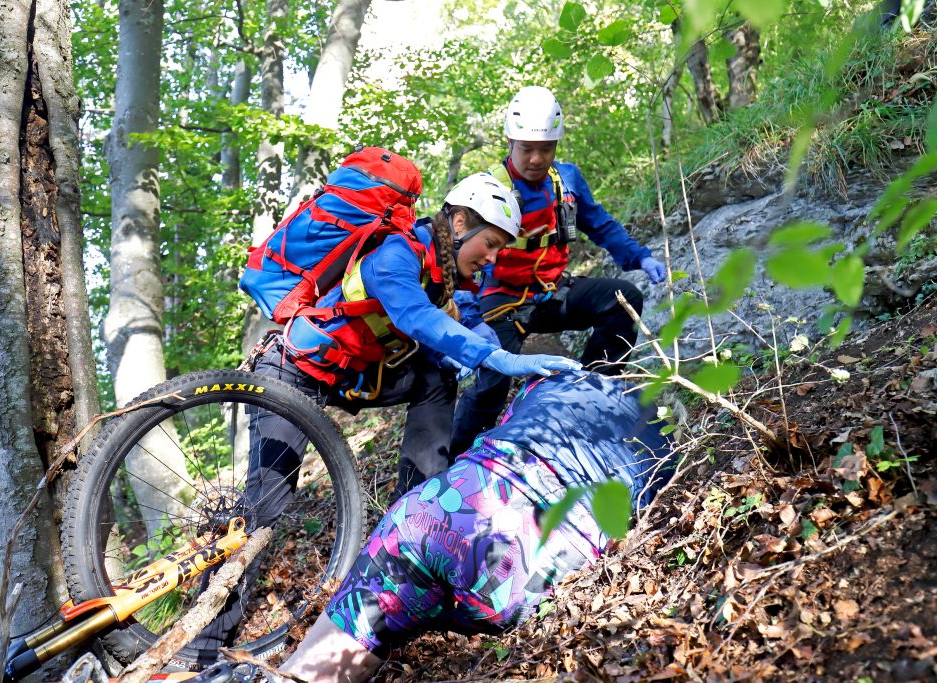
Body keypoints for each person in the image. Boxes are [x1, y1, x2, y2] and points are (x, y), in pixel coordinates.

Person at [187, 172, 582, 660]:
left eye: (499, 250)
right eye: (491, 243)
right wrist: (496, 358)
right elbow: (413, 315)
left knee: (437, 379)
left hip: (354, 379)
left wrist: (498, 354)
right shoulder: (393, 252)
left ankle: (417, 520)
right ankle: (201, 649)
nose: (493, 258)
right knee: (264, 510)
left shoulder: (450, 277)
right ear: (459, 223)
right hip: (293, 373)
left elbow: (469, 321)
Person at [264, 370, 675, 683]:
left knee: (325, 660)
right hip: (528, 557)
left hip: (434, 512)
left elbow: (501, 423)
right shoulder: (667, 448)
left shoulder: (556, 380)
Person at [450, 85, 667, 457]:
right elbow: (458, 258)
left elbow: (600, 225)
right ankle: (455, 456)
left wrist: (639, 257)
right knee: (493, 378)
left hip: (554, 293)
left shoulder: (566, 181)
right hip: (501, 301)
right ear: (509, 141)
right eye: (527, 148)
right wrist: (468, 316)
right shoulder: (486, 189)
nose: (537, 158)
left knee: (622, 300)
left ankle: (589, 397)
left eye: (546, 148)